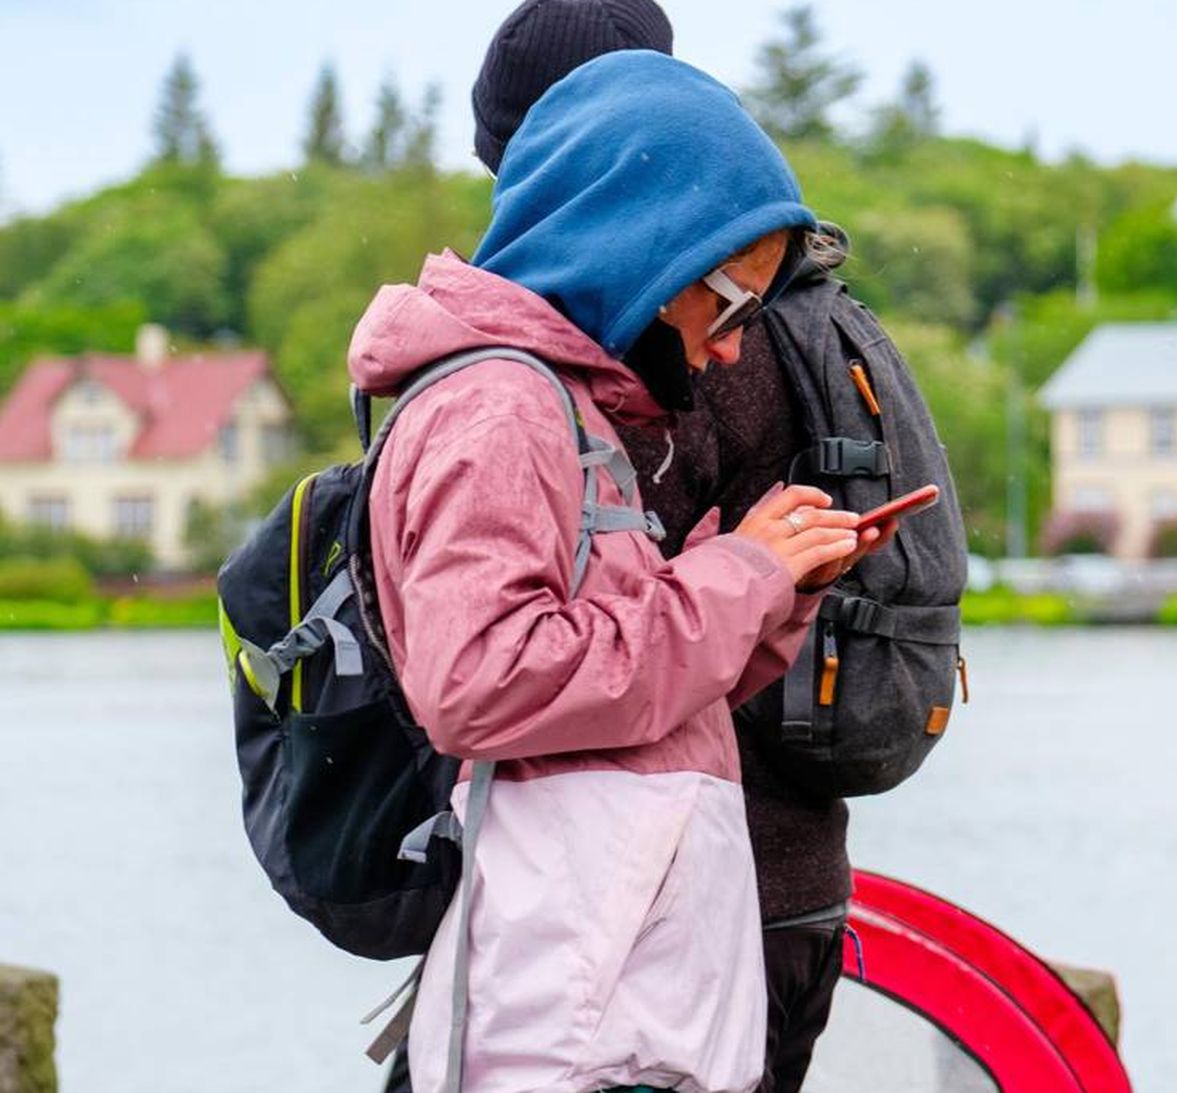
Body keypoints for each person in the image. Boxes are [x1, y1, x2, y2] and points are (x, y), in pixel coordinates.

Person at [352, 49, 891, 1093]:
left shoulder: (562, 407)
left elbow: (625, 700)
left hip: (614, 1007)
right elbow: (486, 681)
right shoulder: (500, 410)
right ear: (641, 252)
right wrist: (738, 573)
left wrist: (777, 586)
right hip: (572, 1025)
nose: (734, 349)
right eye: (729, 304)